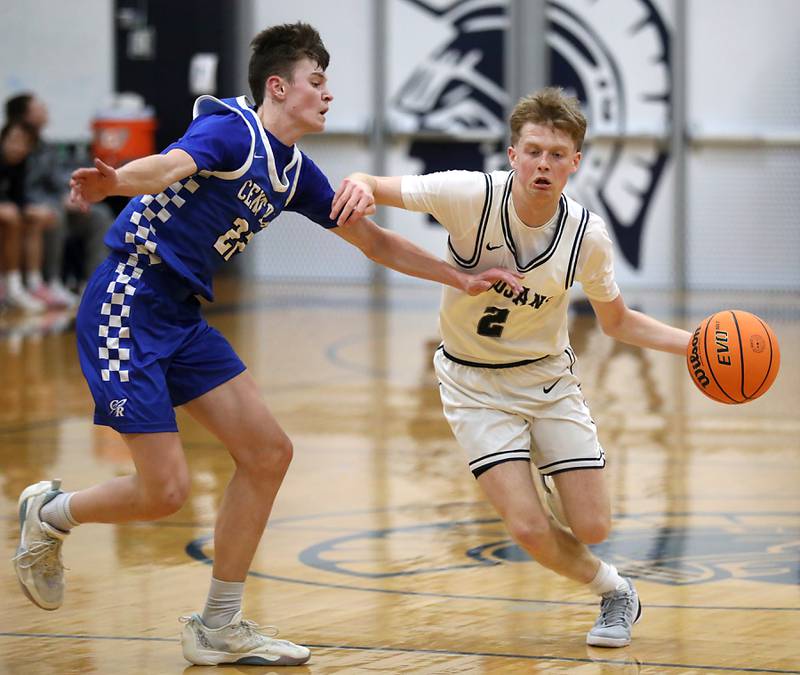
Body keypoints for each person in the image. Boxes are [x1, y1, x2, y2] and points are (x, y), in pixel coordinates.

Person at [12, 22, 521, 667]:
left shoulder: (293, 171)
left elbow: (375, 241)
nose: (328, 94)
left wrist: (460, 276)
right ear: (278, 87)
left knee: (267, 453)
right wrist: (116, 184)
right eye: (317, 81)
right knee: (165, 491)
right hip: (127, 302)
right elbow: (169, 165)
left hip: (178, 313)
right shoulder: (232, 130)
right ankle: (51, 514)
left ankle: (219, 624)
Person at [331, 86, 692, 648]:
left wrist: (691, 345)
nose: (543, 164)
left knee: (594, 525)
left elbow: (618, 322)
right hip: (471, 384)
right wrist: (357, 182)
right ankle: (615, 591)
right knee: (527, 529)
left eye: (556, 154)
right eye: (533, 150)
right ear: (512, 154)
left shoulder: (587, 238)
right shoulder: (468, 195)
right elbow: (374, 185)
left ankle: (552, 475)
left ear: (575, 162)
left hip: (546, 379)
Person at [6, 93, 111, 306]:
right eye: (39, 107)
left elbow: (56, 178)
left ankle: (93, 285)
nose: (46, 110)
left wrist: (72, 192)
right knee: (56, 214)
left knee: (99, 215)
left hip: (48, 203)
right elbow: (23, 190)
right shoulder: (12, 143)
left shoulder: (44, 145)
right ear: (24, 115)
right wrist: (53, 202)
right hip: (33, 208)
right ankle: (51, 281)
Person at [0, 120, 48, 312]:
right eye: (13, 141)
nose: (17, 147)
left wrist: (30, 209)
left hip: (8, 213)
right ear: (3, 140)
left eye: (24, 143)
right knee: (11, 219)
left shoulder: (20, 164)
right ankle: (12, 287)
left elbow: (17, 198)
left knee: (35, 220)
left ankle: (34, 284)